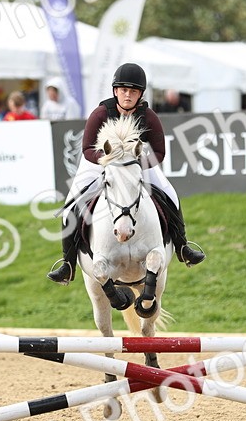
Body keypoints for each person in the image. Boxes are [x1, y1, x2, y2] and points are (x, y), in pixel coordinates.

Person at [46, 62, 205, 284]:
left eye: (133, 91)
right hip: (98, 164)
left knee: (170, 193)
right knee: (71, 204)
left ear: (140, 94)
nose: (127, 96)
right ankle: (68, 264)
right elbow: (87, 149)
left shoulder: (148, 116)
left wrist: (135, 164)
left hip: (136, 165)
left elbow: (159, 152)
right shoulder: (101, 114)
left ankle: (183, 246)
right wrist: (108, 161)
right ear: (115, 91)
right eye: (123, 90)